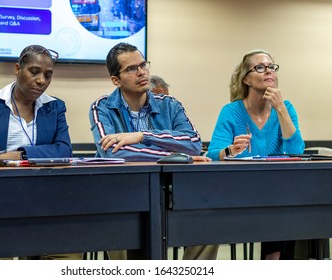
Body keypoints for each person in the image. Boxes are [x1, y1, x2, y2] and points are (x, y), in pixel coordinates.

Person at [0, 44, 81, 260]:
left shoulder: (55, 107)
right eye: (35, 72)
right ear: (18, 69)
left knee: (66, 252)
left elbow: (64, 149)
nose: (42, 81)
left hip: (44, 200)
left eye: (48, 75)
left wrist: (17, 155)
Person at [89, 42, 210, 259]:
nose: (142, 72)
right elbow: (113, 154)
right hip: (120, 195)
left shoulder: (170, 105)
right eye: (131, 69)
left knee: (208, 225)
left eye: (143, 64)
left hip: (169, 192)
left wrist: (143, 136)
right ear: (116, 80)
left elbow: (194, 143)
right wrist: (178, 157)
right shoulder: (102, 107)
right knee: (116, 226)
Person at [206, 49, 305, 260]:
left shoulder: (285, 108)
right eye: (260, 67)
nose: (268, 71)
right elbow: (213, 153)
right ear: (246, 79)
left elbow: (296, 151)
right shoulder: (231, 111)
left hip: (276, 191)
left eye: (271, 67)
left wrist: (281, 110)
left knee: (292, 205)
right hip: (241, 190)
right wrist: (230, 150)